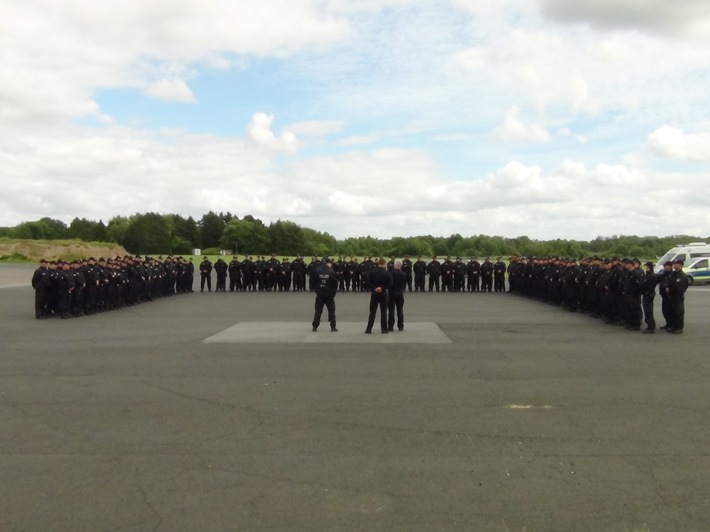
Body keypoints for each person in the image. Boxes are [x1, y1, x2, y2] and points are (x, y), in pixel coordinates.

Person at [365, 258, 392, 334]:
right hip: (383, 293)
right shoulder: (387, 273)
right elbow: (390, 283)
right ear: (384, 264)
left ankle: (369, 329)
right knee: (383, 311)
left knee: (372, 311)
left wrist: (374, 288)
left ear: (378, 263)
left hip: (374, 293)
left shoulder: (372, 272)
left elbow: (367, 282)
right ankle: (384, 329)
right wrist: (382, 288)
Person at [312, 258, 338, 332]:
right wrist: (333, 293)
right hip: (329, 294)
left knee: (318, 310)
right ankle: (333, 327)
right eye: (330, 263)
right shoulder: (331, 272)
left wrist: (317, 290)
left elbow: (313, 281)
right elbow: (335, 284)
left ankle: (315, 326)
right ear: (327, 263)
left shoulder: (317, 270)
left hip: (320, 294)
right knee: (331, 311)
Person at [664, 259, 689, 334]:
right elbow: (668, 282)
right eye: (674, 264)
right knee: (672, 312)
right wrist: (667, 287)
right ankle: (673, 326)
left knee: (678, 312)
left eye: (676, 264)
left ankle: (679, 327)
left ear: (681, 265)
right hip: (671, 297)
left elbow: (680, 288)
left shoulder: (682, 276)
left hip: (678, 297)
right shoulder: (673, 274)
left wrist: (670, 289)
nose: (674, 265)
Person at [387, 260, 406, 331]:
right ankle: (401, 326)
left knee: (391, 310)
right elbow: (404, 284)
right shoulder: (403, 274)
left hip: (392, 292)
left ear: (395, 265)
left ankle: (391, 326)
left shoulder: (391, 274)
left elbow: (389, 283)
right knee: (400, 310)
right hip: (400, 293)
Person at [641, 261, 658, 334]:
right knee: (646, 310)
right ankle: (649, 325)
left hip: (649, 294)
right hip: (645, 294)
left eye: (647, 267)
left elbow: (649, 285)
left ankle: (651, 327)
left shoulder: (652, 276)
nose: (646, 268)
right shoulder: (647, 275)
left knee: (649, 311)